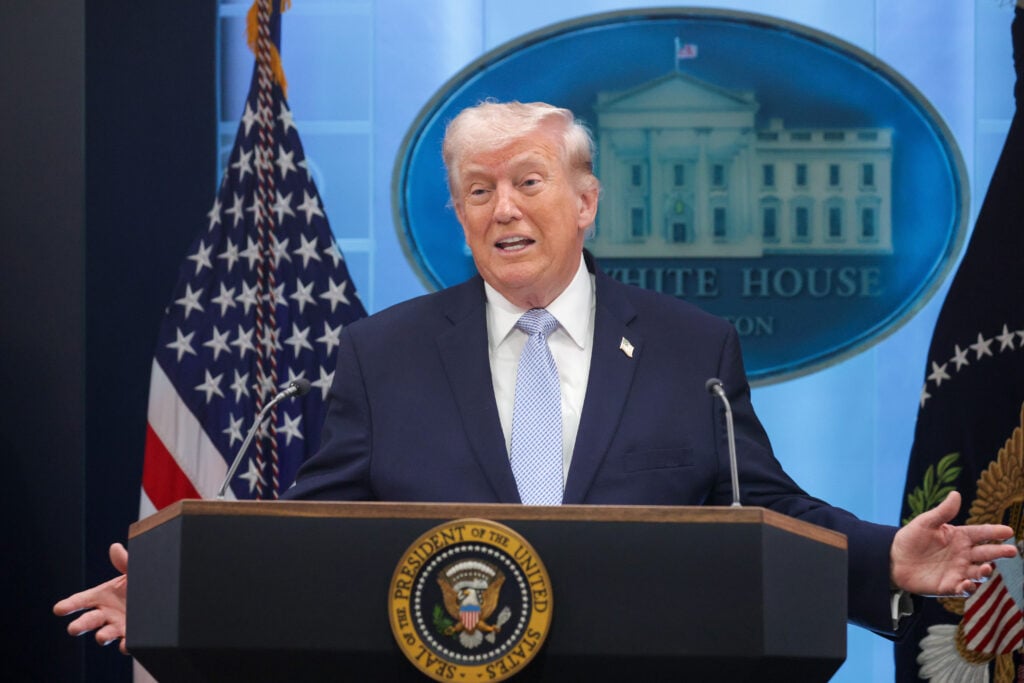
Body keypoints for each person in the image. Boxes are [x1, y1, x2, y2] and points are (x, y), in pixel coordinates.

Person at [55, 100, 1016, 654]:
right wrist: (189, 589)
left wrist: (885, 556)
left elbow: (763, 506)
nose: (503, 208)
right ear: (459, 214)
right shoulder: (380, 357)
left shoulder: (693, 350)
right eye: (478, 190)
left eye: (527, 181)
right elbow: (318, 534)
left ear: (586, 200)